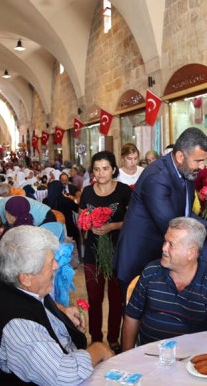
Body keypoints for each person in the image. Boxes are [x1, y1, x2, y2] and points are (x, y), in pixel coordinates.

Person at [0, 226, 114, 385]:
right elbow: (64, 376)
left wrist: (62, 311)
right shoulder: (17, 325)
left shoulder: (15, 286)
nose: (57, 266)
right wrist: (98, 349)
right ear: (26, 277)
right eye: (51, 262)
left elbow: (37, 303)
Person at [115, 127, 207, 298]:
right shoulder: (157, 177)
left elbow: (185, 214)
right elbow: (171, 225)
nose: (202, 167)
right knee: (137, 320)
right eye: (198, 161)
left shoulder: (185, 172)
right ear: (180, 157)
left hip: (161, 258)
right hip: (139, 259)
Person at [122, 217, 207, 349]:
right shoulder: (151, 272)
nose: (163, 248)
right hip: (148, 358)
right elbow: (131, 317)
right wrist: (126, 357)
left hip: (192, 363)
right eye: (165, 241)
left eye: (171, 244)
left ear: (191, 253)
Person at [78, 151, 131, 353]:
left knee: (117, 298)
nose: (101, 173)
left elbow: (134, 219)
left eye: (105, 168)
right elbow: (82, 218)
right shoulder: (87, 192)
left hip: (118, 250)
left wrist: (113, 226)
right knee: (94, 298)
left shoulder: (124, 191)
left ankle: (113, 338)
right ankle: (96, 339)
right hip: (93, 252)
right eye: (97, 169)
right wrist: (87, 224)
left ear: (114, 170)